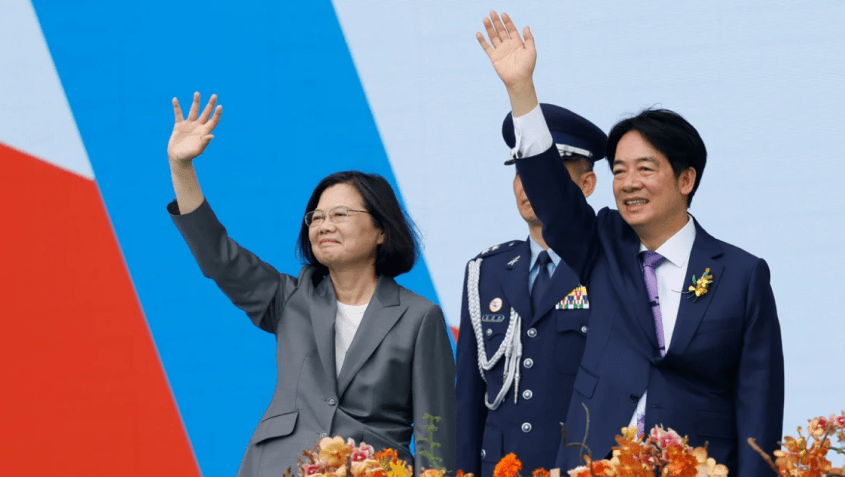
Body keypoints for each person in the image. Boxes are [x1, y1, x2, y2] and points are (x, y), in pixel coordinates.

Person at [476, 12, 784, 476]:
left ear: (685, 178)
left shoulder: (741, 274)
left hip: (696, 466)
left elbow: (758, 401)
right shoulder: (603, 244)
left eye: (644, 168)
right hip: (591, 462)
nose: (627, 183)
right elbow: (553, 196)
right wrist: (522, 93)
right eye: (619, 170)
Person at [165, 92, 456, 477]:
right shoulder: (289, 298)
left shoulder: (419, 317)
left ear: (381, 230)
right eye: (316, 217)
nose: (324, 225)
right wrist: (181, 167)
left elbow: (436, 434)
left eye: (340, 214)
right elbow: (218, 257)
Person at [455, 104, 605, 477]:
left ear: (586, 185)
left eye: (545, 172)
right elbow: (469, 399)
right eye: (521, 171)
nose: (528, 184)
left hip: (579, 466)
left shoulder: (608, 265)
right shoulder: (485, 271)